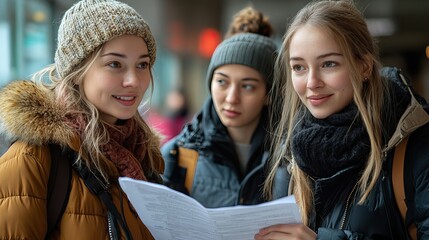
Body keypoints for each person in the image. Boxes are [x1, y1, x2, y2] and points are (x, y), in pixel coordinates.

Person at [256, 1, 429, 239]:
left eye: (328, 64)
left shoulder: (416, 147)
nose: (311, 82)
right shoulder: (290, 154)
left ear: (364, 67)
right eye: (299, 67)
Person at [0, 0, 164, 239]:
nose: (134, 81)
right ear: (77, 71)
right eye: (115, 64)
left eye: (142, 64)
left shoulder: (147, 158)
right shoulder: (33, 158)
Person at [161, 6, 288, 208]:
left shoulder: (292, 158)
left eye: (247, 86)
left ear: (269, 95)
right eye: (222, 82)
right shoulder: (178, 155)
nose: (231, 98)